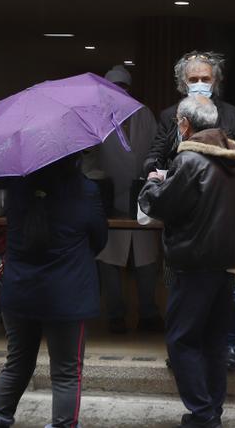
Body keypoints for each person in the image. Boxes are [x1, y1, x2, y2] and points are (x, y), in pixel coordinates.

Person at [144, 51, 235, 370]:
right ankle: (185, 347)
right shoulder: (172, 115)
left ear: (217, 82)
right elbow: (155, 154)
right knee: (179, 284)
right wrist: (154, 173)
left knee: (232, 285)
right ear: (182, 84)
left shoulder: (233, 115)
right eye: (193, 79)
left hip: (224, 207)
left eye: (206, 79)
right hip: (186, 206)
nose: (200, 84)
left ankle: (230, 346)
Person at [140, 96, 235, 428]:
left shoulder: (190, 160)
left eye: (178, 122)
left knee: (181, 339)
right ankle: (212, 411)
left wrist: (151, 183)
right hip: (226, 262)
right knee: (214, 341)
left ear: (184, 125)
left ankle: (202, 414)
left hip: (194, 262)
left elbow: (160, 204)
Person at [0, 154, 106, 428]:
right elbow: (100, 238)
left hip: (20, 291)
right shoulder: (85, 189)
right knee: (67, 372)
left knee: (17, 364)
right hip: (68, 294)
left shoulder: (16, 188)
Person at [93, 65, 163, 334]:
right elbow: (91, 156)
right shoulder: (99, 117)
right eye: (114, 88)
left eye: (123, 88)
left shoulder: (143, 113)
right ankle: (115, 315)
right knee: (109, 260)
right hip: (109, 197)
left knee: (146, 260)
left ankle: (148, 313)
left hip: (140, 194)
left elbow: (155, 148)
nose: (119, 93)